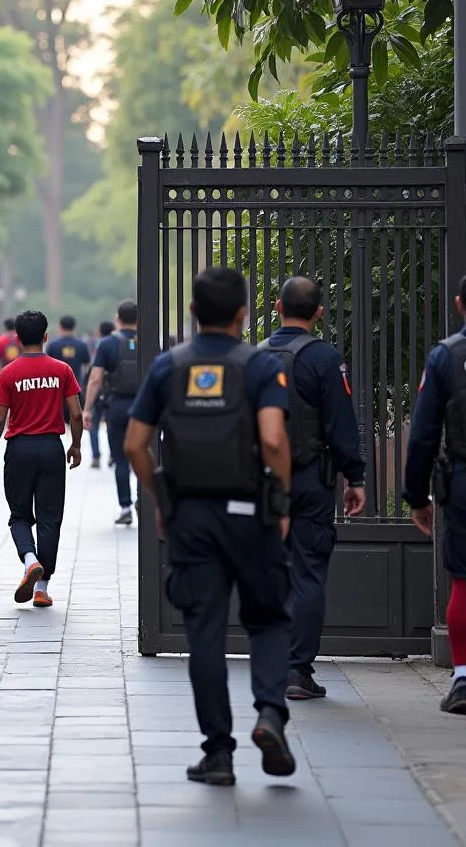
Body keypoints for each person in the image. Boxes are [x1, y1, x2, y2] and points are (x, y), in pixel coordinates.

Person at [125, 266, 294, 786]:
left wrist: (162, 497)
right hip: (249, 513)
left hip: (191, 516)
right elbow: (271, 440)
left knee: (204, 633)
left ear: (194, 313)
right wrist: (280, 500)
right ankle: (269, 713)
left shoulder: (168, 367)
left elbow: (135, 444)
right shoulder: (259, 366)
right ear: (243, 313)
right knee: (267, 617)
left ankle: (218, 753)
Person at [258, 276, 366, 700]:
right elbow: (341, 426)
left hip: (265, 482)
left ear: (277, 306)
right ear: (319, 312)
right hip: (309, 481)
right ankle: (296, 672)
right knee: (307, 573)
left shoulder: (258, 358)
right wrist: (354, 477)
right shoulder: (324, 358)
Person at [0, 310, 83, 608]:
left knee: (20, 515)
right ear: (46, 336)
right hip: (52, 447)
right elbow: (75, 413)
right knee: (50, 519)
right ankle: (41, 588)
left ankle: (29, 560)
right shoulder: (62, 370)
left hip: (20, 450)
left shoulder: (9, 372)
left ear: (16, 339)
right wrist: (75, 444)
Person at [403, 274, 466, 715]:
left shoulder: (447, 357)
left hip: (464, 479)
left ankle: (463, 679)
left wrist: (416, 496)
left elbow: (424, 434)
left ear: (460, 304)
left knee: (463, 579)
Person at [84, 300, 140, 525]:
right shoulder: (151, 338)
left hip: (116, 406)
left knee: (120, 458)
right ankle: (143, 500)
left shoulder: (107, 343)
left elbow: (96, 377)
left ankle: (125, 506)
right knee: (145, 454)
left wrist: (87, 408)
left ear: (118, 318)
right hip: (143, 407)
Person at [46, 315, 91, 422]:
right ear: (74, 327)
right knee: (75, 420)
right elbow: (87, 367)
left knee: (56, 423)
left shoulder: (53, 345)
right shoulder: (81, 345)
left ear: (60, 327)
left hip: (56, 391)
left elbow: (47, 368)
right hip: (76, 390)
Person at [87, 321, 114, 468]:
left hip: (98, 393)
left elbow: (94, 374)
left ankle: (96, 456)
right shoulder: (118, 344)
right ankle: (112, 454)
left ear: (99, 331)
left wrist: (87, 403)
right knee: (111, 425)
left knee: (94, 425)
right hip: (111, 393)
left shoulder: (99, 346)